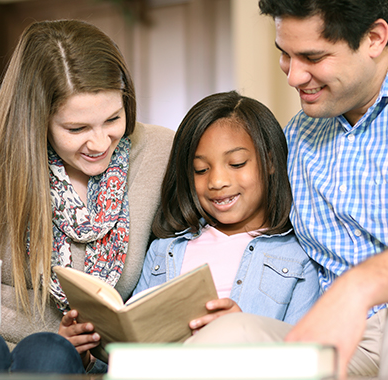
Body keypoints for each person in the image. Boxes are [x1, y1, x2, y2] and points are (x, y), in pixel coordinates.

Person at [190, 0, 388, 380]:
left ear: (374, 38)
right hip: (339, 339)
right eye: (285, 55)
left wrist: (357, 288)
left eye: (312, 57)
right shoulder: (299, 134)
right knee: (226, 336)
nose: (293, 76)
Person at [0, 20, 174, 374]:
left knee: (52, 353)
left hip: (57, 359)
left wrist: (65, 334)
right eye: (77, 129)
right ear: (35, 120)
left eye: (113, 119)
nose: (101, 142)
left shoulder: (158, 153)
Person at [134, 91, 320, 332]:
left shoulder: (299, 256)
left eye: (237, 164)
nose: (217, 181)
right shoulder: (163, 250)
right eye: (201, 170)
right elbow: (131, 335)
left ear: (271, 162)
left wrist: (243, 330)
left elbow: (302, 354)